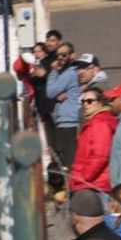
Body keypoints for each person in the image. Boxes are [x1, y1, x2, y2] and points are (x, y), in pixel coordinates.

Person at [45, 42, 82, 190]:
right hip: (64, 121)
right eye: (58, 55)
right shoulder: (66, 74)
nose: (60, 58)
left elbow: (50, 92)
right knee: (63, 160)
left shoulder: (68, 74)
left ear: (71, 56)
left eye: (64, 55)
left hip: (68, 122)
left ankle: (71, 189)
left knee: (68, 161)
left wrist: (53, 72)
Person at [69, 84, 117, 193]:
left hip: (94, 184)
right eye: (83, 101)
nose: (85, 104)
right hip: (91, 183)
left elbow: (100, 155)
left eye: (89, 101)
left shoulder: (99, 123)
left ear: (100, 102)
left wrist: (84, 177)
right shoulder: (95, 121)